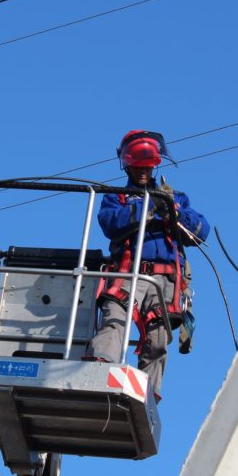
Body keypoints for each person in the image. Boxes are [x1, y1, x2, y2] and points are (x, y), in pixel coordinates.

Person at [87, 130, 210, 400]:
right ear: (128, 166)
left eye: (148, 166)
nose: (143, 171)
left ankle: (146, 398)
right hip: (129, 273)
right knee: (115, 321)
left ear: (155, 165)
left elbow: (202, 231)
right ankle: (98, 375)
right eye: (138, 167)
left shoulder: (176, 197)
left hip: (165, 281)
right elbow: (110, 224)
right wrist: (147, 208)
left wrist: (173, 213)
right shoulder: (117, 196)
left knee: (157, 340)